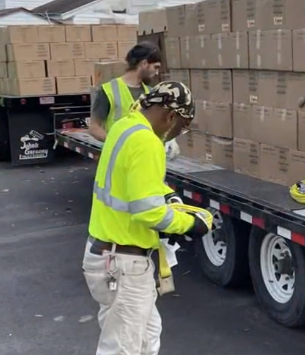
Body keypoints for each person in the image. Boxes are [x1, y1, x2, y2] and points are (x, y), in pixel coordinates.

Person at [82, 81, 210, 355]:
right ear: (170, 116)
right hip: (123, 263)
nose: (176, 133)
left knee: (147, 339)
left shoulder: (123, 127)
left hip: (107, 255)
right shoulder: (148, 142)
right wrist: (190, 223)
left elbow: (135, 184)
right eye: (181, 127)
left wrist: (168, 195)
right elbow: (147, 212)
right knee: (122, 349)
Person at [88, 42, 162, 142]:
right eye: (155, 67)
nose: (157, 73)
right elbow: (94, 127)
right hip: (119, 155)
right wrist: (116, 143)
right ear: (144, 64)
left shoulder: (150, 93)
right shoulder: (108, 91)